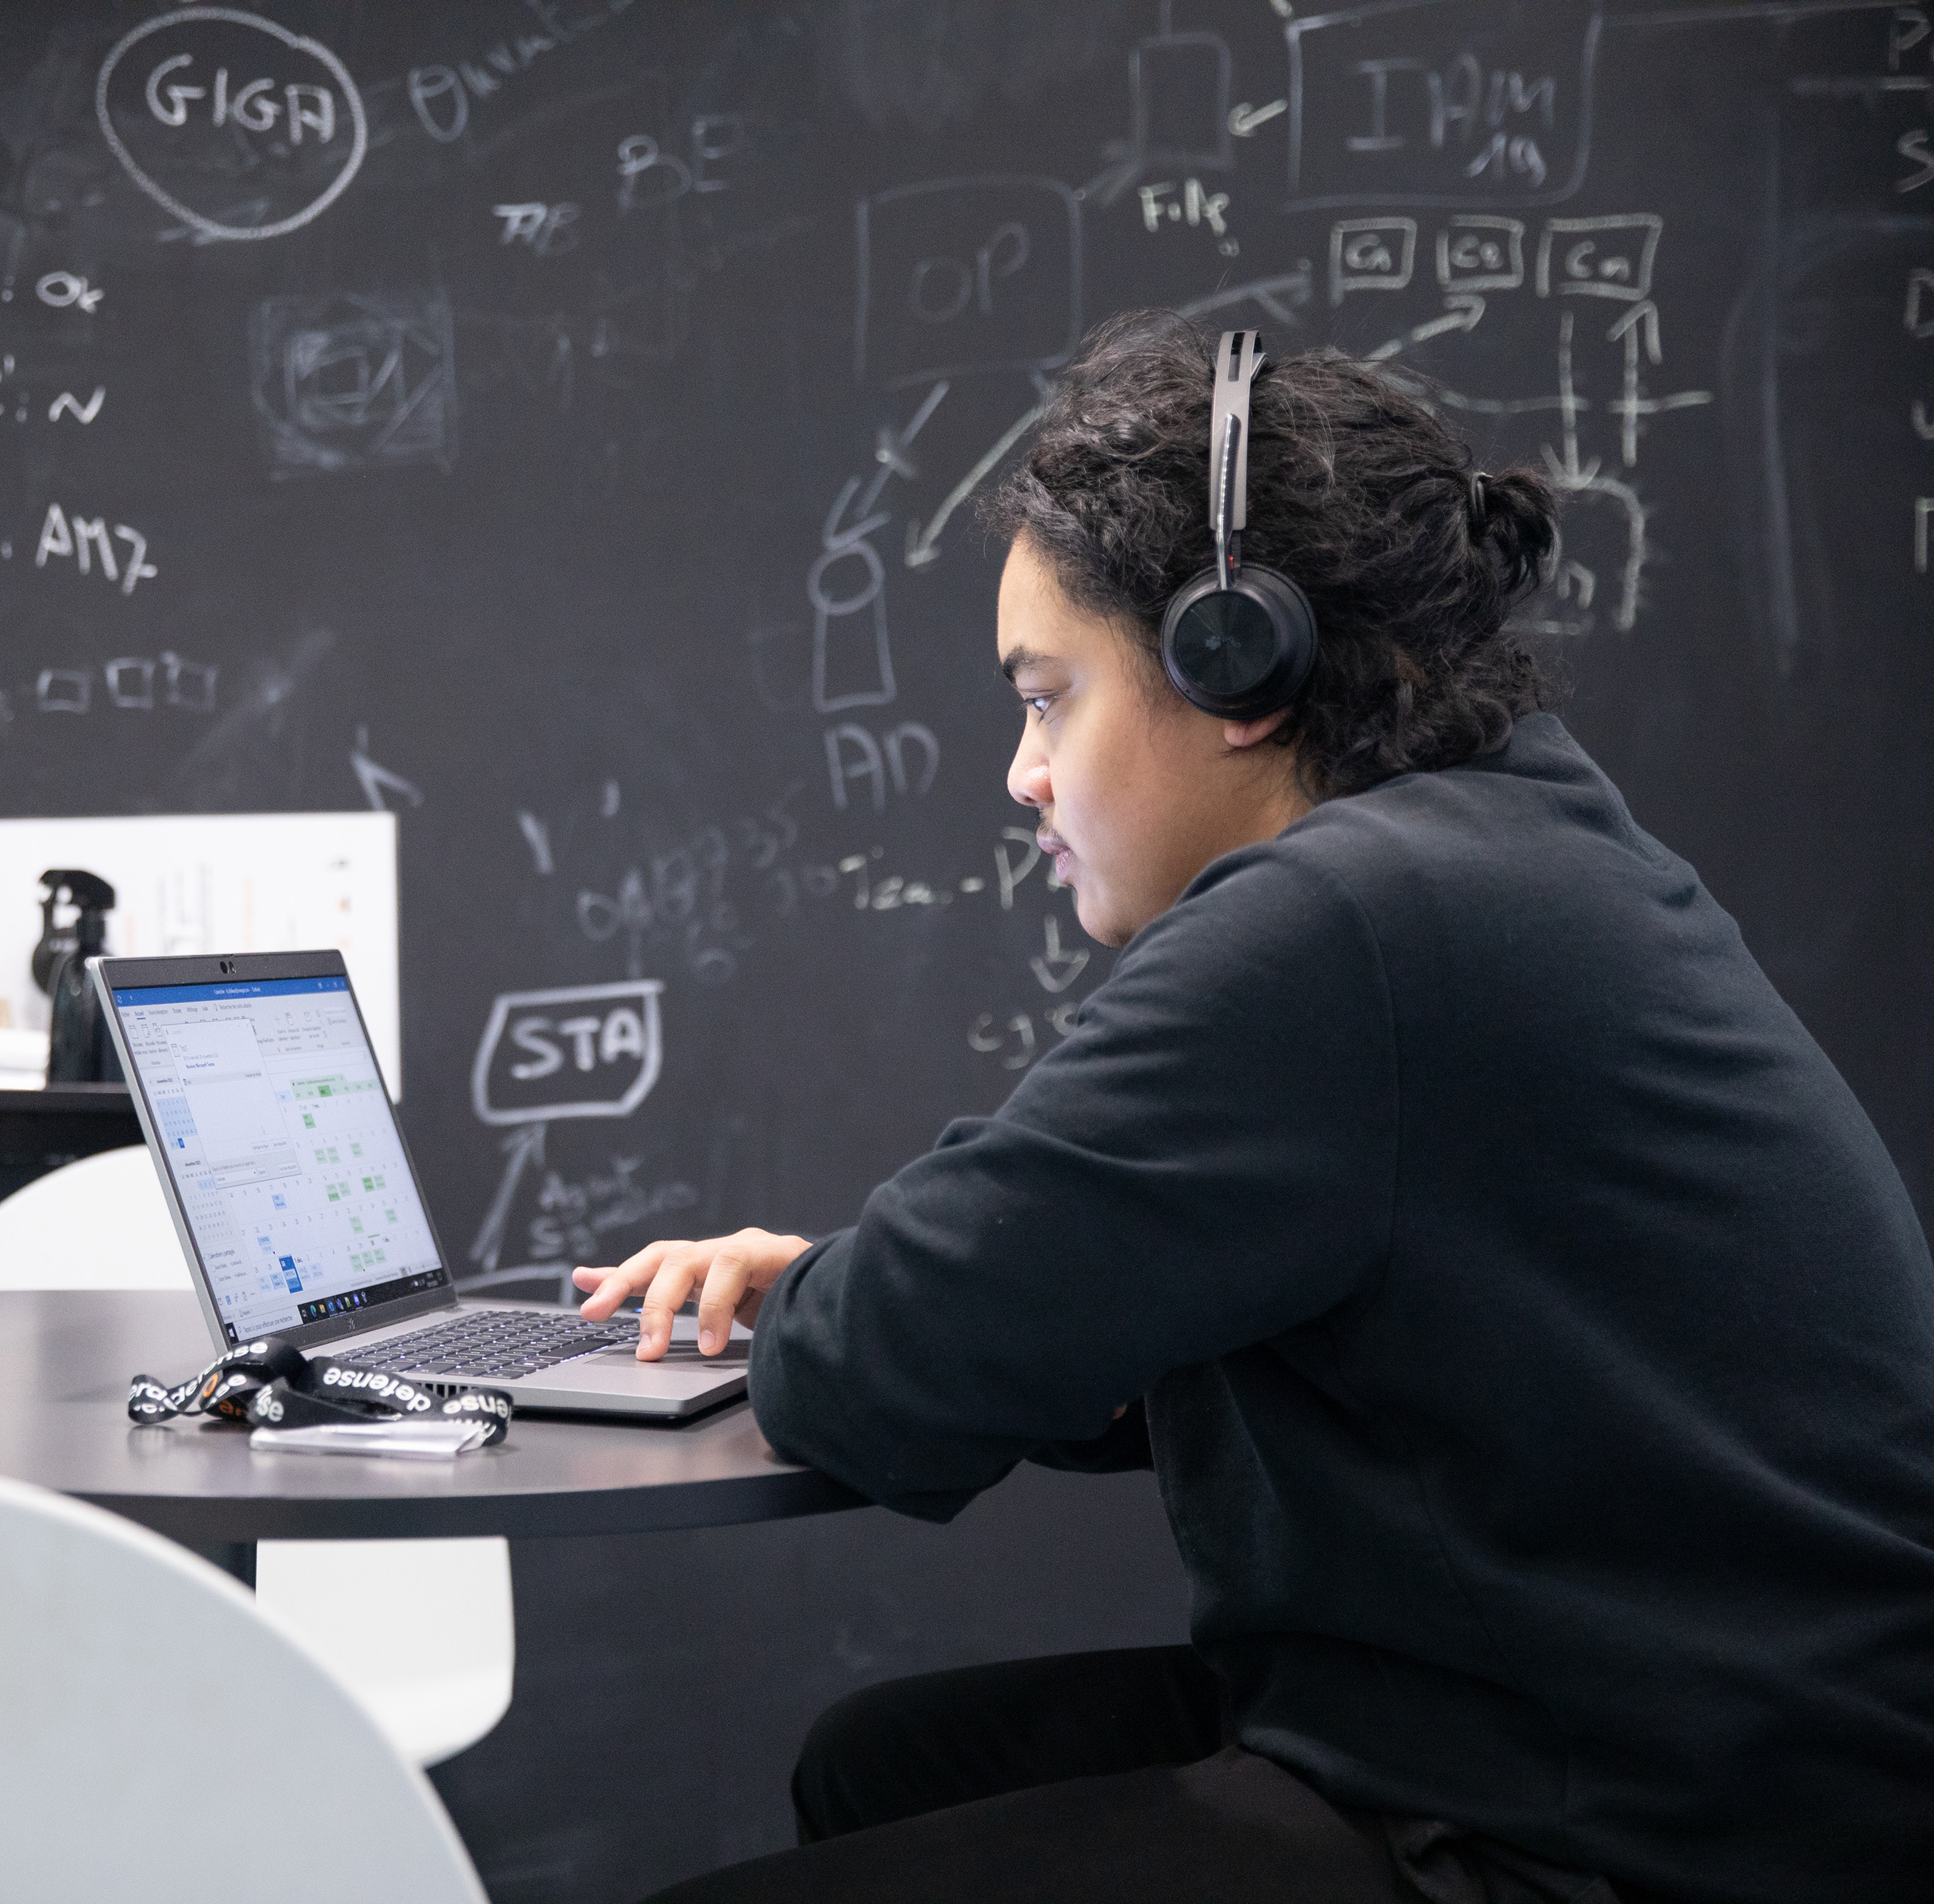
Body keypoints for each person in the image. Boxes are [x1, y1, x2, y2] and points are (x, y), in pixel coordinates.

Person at [575, 312, 1934, 1904]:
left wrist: (827, 1299)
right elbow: (1085, 1310)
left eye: (1046, 696)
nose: (1022, 773)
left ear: (1232, 667)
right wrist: (867, 1290)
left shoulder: (1342, 921)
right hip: (1670, 1738)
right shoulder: (1505, 841)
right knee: (881, 1760)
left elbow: (887, 1366)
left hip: (1609, 1827)